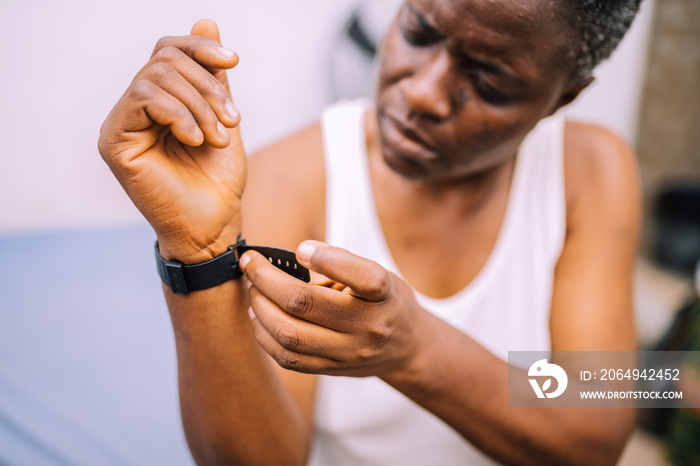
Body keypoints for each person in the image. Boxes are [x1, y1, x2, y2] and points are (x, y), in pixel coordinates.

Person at [98, 0, 644, 464]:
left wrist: (414, 348)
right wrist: (197, 251)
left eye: (489, 80)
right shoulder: (294, 180)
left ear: (564, 96)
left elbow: (598, 428)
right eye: (418, 32)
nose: (424, 92)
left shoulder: (593, 170)